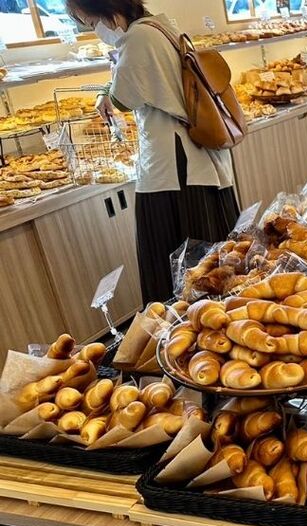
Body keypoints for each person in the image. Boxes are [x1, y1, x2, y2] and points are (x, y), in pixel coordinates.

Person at [66, 0, 239, 305]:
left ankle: (188, 323)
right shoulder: (160, 25)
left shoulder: (137, 38)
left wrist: (108, 86)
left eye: (92, 23)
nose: (96, 32)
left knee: (182, 263)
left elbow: (123, 98)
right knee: (213, 258)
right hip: (193, 154)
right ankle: (223, 316)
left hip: (173, 166)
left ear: (106, 9)